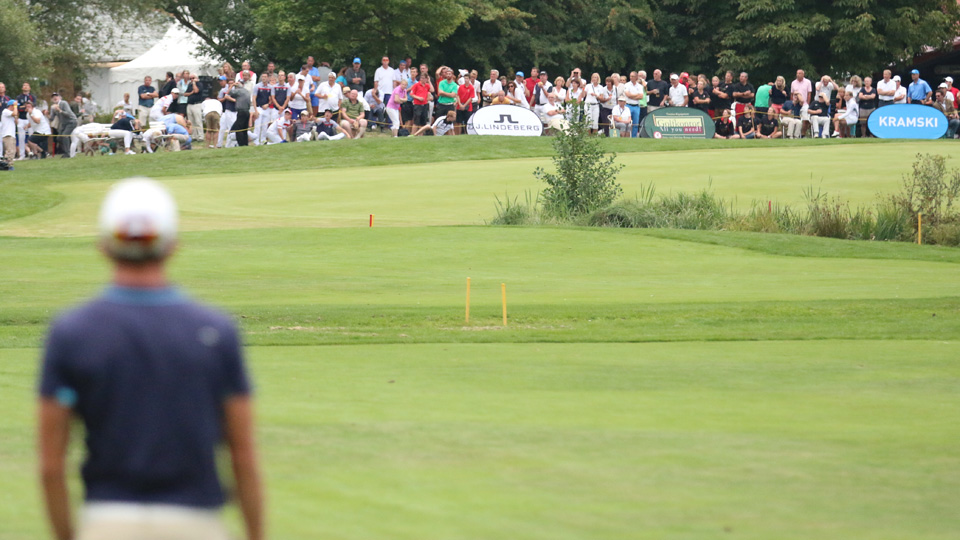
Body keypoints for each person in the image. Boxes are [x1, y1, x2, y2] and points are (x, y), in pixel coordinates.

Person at [38, 178, 263, 540]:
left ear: (104, 245)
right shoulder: (216, 330)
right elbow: (242, 456)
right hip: (196, 521)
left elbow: (51, 466)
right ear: (172, 246)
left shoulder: (71, 332)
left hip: (108, 520)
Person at [16, 82, 37, 160]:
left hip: (30, 119)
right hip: (21, 119)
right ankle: (22, 155)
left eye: (27, 86)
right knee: (21, 137)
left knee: (32, 137)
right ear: (22, 88)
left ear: (30, 88)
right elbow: (18, 108)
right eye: (24, 85)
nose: (25, 87)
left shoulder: (32, 97)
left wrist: (24, 107)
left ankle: (33, 154)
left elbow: (33, 107)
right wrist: (25, 107)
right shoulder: (19, 97)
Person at [229, 81, 252, 146]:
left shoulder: (239, 91)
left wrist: (232, 85)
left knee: (238, 129)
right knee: (244, 129)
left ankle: (241, 144)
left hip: (241, 111)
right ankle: (245, 143)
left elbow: (230, 92)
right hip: (247, 111)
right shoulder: (246, 91)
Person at [623, 71, 645, 137]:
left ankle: (634, 137)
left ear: (636, 77)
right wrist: (636, 95)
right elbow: (628, 95)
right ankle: (626, 136)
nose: (631, 77)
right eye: (630, 76)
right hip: (628, 105)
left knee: (635, 123)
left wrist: (632, 96)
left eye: (632, 76)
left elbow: (641, 96)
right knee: (627, 122)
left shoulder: (640, 86)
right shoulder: (627, 85)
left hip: (636, 106)